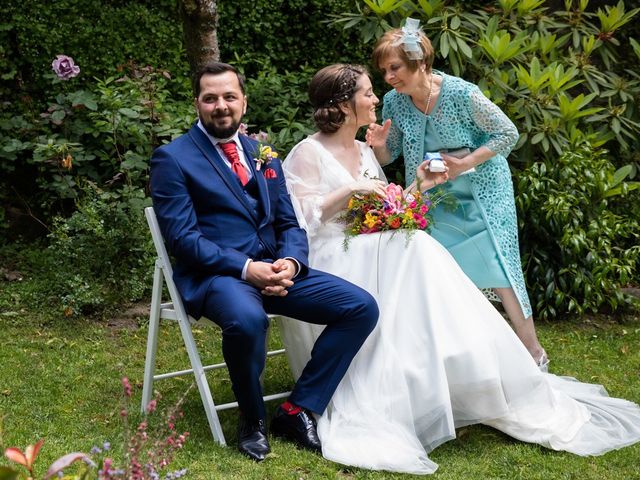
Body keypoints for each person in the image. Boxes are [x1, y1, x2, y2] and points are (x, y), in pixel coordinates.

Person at [280, 63, 640, 475]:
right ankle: (428, 371)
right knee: (415, 249)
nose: (377, 98)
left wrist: (418, 185)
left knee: (417, 246)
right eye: (366, 93)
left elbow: (383, 206)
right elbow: (299, 220)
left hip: (373, 244)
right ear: (344, 104)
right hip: (332, 254)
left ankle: (464, 368)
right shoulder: (308, 152)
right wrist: (349, 190)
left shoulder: (365, 151)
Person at [149, 62, 379, 462]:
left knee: (360, 307)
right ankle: (252, 418)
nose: (221, 106)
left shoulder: (262, 153)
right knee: (248, 321)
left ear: (243, 102)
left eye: (229, 97)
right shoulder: (173, 158)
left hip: (275, 269)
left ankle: (299, 408)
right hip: (220, 276)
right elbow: (183, 239)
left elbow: (289, 220)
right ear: (198, 103)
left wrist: (290, 261)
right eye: (210, 98)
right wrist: (245, 269)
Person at [366, 19, 547, 369]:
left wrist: (465, 164)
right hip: (434, 197)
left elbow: (507, 133)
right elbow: (393, 154)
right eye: (384, 70)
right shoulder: (394, 102)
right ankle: (467, 357)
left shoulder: (461, 93)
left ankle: (534, 354)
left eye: (395, 68)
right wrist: (376, 148)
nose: (388, 77)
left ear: (419, 61)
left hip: (483, 190)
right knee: (444, 272)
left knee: (500, 266)